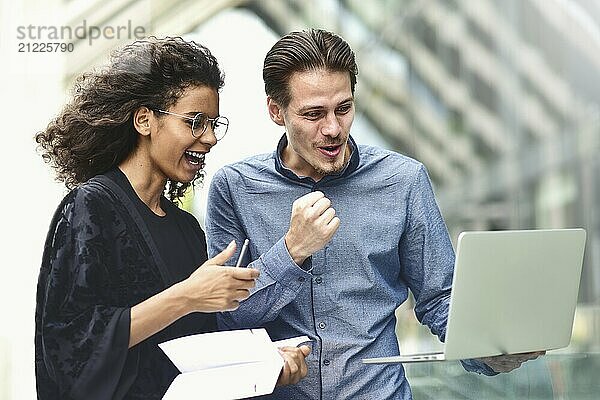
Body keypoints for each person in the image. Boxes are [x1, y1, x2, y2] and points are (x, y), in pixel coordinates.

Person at [205, 29, 542, 399]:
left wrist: (491, 351)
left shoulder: (403, 180)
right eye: (313, 114)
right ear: (275, 111)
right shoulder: (233, 189)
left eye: (344, 108)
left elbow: (440, 298)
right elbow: (229, 317)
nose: (333, 129)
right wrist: (292, 250)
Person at [34, 36, 310, 400]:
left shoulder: (187, 229)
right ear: (145, 120)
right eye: (195, 122)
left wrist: (265, 363)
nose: (210, 138)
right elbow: (70, 348)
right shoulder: (91, 207)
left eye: (214, 123)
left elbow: (193, 353)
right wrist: (187, 296)